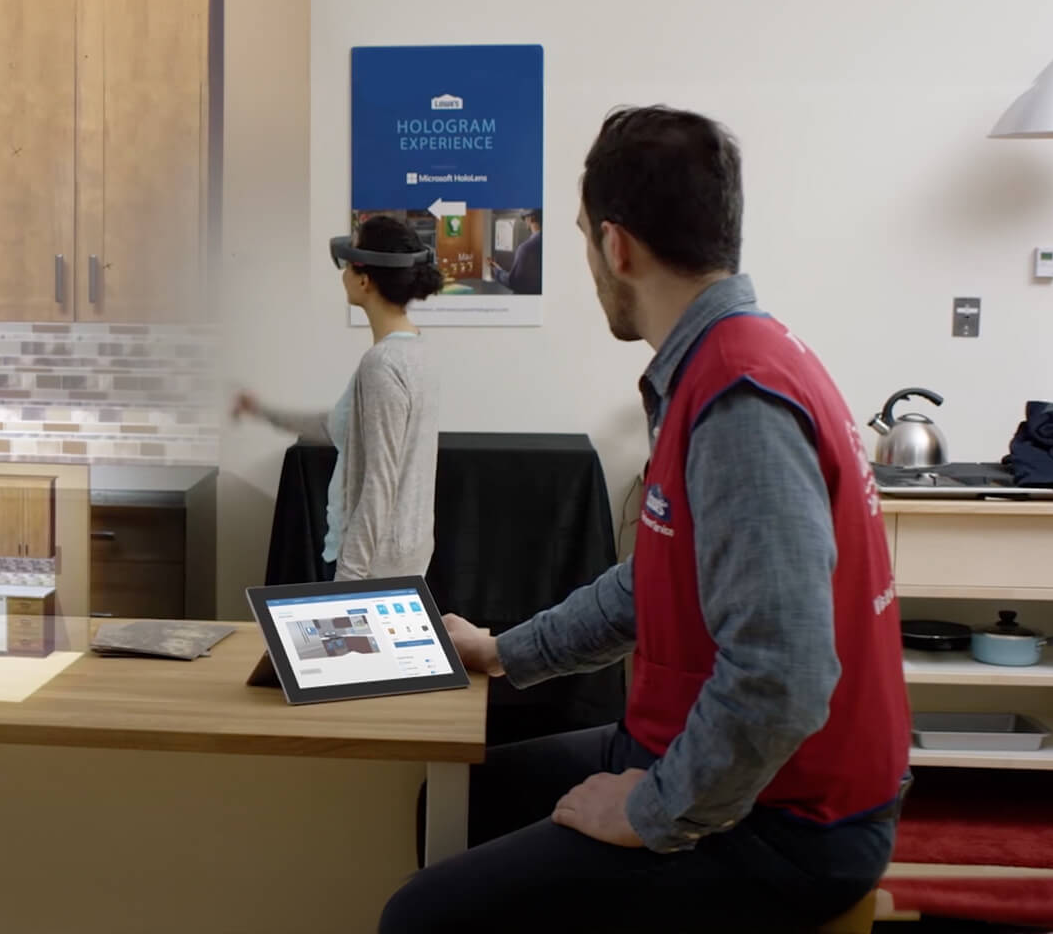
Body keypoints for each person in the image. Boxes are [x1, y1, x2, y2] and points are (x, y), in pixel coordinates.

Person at [379, 107, 910, 933]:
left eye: (586, 238)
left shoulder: (739, 399)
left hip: (790, 824)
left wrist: (653, 812)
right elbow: (656, 578)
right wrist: (506, 651)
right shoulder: (729, 358)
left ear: (615, 247)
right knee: (455, 802)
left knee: (421, 920)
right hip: (728, 765)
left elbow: (784, 676)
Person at [233, 215, 442, 581]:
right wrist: (262, 411)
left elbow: (379, 483)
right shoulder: (416, 351)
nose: (341, 274)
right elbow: (337, 427)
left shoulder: (381, 365)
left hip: (373, 567)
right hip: (401, 557)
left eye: (346, 265)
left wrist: (349, 579)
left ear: (364, 279)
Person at [492, 208, 542, 295]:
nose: (524, 221)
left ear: (531, 218)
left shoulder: (526, 248)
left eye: (524, 218)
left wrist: (496, 270)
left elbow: (513, 282)